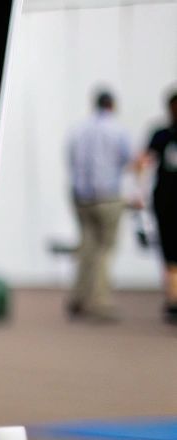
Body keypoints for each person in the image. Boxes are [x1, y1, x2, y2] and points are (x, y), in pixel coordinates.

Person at [66, 88, 137, 321]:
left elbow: (70, 160)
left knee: (86, 245)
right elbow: (130, 160)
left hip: (81, 196)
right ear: (112, 105)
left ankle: (78, 296)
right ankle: (98, 301)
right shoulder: (117, 130)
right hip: (107, 196)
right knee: (105, 249)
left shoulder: (79, 129)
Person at [135, 90, 177, 324]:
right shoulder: (161, 134)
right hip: (166, 203)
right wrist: (138, 191)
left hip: (166, 201)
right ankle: (173, 298)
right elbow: (144, 162)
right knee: (169, 252)